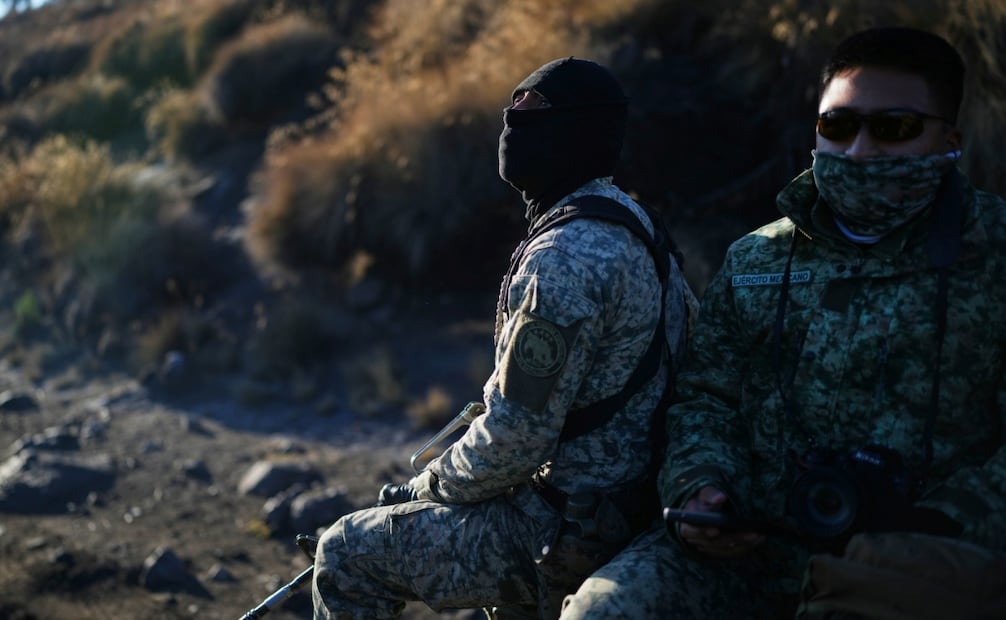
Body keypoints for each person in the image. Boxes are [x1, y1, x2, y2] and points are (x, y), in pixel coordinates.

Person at [559, 27, 1006, 619]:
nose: (859, 150)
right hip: (748, 549)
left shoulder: (995, 255)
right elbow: (705, 397)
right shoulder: (757, 260)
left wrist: (942, 521)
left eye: (893, 128)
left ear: (948, 140)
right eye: (838, 127)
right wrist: (701, 488)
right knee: (605, 610)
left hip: (918, 569)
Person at [312, 57, 697, 619]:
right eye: (511, 110)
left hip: (568, 528)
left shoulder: (563, 259)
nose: (513, 126)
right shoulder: (636, 222)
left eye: (534, 114)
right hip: (629, 504)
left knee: (346, 552)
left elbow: (516, 439)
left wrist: (428, 485)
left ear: (579, 133)